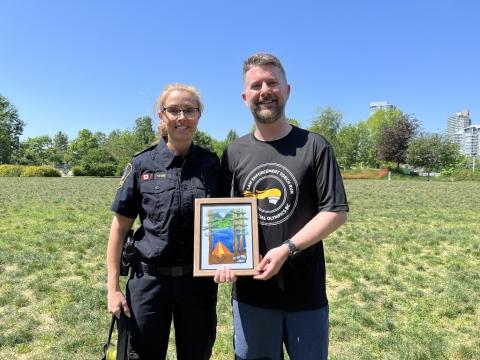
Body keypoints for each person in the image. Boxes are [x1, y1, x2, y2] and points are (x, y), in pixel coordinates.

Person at [215, 52, 349, 360]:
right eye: (256, 85)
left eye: (272, 82)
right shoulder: (234, 153)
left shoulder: (315, 146)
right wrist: (222, 258)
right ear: (244, 96)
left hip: (306, 294)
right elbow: (225, 215)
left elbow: (335, 211)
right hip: (252, 296)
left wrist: (287, 249)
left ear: (287, 90)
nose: (264, 91)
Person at [107, 83, 220, 360]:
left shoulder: (211, 164)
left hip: (198, 285)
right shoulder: (141, 164)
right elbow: (119, 230)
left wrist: (229, 260)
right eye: (174, 110)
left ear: (198, 116)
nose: (182, 117)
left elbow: (224, 218)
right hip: (149, 282)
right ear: (161, 116)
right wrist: (113, 289)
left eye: (189, 110)